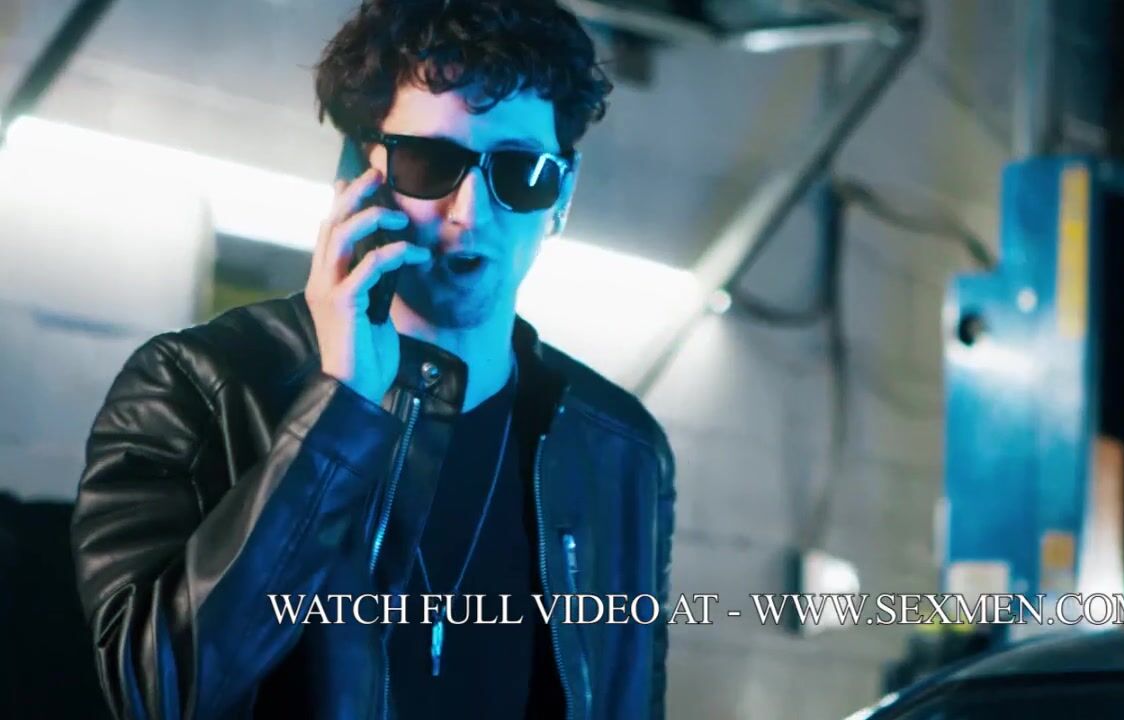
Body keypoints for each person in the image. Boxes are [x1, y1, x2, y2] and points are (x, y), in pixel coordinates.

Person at [69, 1, 675, 717]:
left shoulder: (618, 446)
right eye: (431, 163)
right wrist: (342, 407)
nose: (469, 212)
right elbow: (159, 694)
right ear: (360, 170)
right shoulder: (196, 387)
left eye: (521, 173)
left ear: (562, 196)